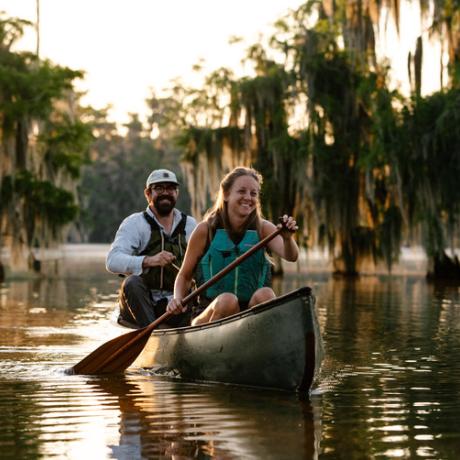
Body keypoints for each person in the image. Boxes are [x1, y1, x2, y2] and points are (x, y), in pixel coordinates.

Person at [166, 166, 298, 325]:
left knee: (266, 294)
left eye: (253, 193)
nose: (248, 197)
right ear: (226, 194)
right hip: (210, 310)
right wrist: (177, 299)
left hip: (249, 313)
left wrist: (288, 239)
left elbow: (291, 256)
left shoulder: (263, 228)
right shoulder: (205, 230)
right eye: (241, 191)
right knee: (228, 300)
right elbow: (184, 276)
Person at [106, 168, 197, 328]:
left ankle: (191, 326)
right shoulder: (134, 223)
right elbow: (112, 261)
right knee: (131, 283)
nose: (165, 193)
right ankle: (150, 331)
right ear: (148, 194)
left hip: (176, 304)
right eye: (159, 188)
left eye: (170, 188)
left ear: (177, 193)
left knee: (196, 291)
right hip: (141, 303)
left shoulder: (190, 225)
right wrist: (149, 260)